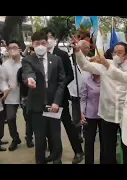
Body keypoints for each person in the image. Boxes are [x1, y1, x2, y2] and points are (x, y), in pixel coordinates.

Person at [74, 41, 127, 164]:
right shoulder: (106, 65)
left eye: (120, 52)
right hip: (107, 115)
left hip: (125, 115)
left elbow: (122, 77)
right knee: (108, 148)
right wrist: (78, 51)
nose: (116, 55)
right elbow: (85, 65)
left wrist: (106, 64)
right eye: (114, 52)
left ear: (126, 55)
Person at [41, 27, 84, 164]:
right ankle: (55, 154)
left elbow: (70, 75)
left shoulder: (62, 54)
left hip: (62, 97)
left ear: (53, 38)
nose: (48, 40)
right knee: (52, 128)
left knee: (68, 125)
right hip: (48, 98)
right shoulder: (40, 56)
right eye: (45, 38)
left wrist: (60, 84)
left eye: (49, 37)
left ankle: (78, 151)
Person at [22, 31, 65, 164]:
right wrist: (30, 79)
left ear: (47, 44)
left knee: (55, 137)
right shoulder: (28, 60)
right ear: (32, 45)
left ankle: (57, 160)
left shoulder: (56, 59)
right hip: (37, 106)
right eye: (37, 43)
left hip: (53, 105)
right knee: (40, 139)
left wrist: (57, 102)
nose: (40, 46)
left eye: (43, 43)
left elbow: (61, 81)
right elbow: (28, 73)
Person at [2, 40, 32, 151]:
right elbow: (2, 80)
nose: (13, 50)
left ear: (19, 49)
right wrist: (6, 88)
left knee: (28, 117)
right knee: (10, 118)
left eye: (15, 47)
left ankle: (29, 137)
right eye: (10, 48)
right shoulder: (5, 65)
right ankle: (15, 139)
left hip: (25, 95)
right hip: (11, 95)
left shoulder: (26, 62)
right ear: (8, 51)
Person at [68, 40, 90, 143]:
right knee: (76, 117)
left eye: (89, 47)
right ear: (79, 48)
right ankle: (77, 134)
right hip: (75, 93)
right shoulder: (71, 60)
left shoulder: (89, 60)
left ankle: (87, 133)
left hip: (87, 93)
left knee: (86, 116)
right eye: (86, 47)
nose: (89, 49)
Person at [80, 71, 104, 164]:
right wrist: (82, 112)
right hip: (90, 114)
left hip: (104, 115)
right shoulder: (86, 80)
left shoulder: (106, 79)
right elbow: (83, 98)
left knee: (105, 142)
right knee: (89, 141)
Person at [17, 67, 34, 149]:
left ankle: (44, 141)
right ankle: (29, 138)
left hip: (39, 96)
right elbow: (20, 82)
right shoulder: (22, 69)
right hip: (26, 97)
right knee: (28, 119)